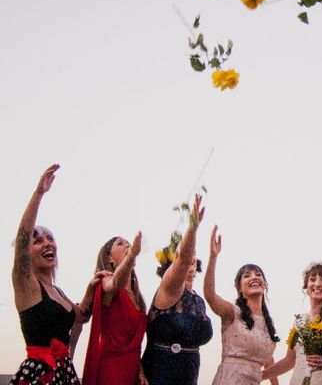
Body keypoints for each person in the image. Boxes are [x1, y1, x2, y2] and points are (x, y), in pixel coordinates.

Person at [10, 164, 103, 385]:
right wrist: (39, 193)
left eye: (50, 238)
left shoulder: (57, 291)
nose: (47, 243)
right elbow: (22, 241)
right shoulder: (27, 284)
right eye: (38, 240)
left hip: (65, 373)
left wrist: (91, 288)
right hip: (39, 375)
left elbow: (81, 316)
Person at [141, 194, 213, 385]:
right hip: (160, 374)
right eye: (186, 252)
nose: (191, 256)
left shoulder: (199, 301)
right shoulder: (169, 289)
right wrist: (193, 227)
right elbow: (182, 260)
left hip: (189, 376)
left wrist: (213, 256)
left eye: (194, 254)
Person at [205, 225, 280, 385]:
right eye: (247, 276)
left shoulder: (268, 322)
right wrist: (213, 257)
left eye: (258, 275)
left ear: (264, 285)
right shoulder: (233, 312)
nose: (254, 277)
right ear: (240, 289)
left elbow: (268, 359)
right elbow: (210, 296)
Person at [262, 261, 322, 384]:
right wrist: (259, 376)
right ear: (306, 287)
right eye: (313, 279)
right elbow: (290, 360)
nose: (318, 284)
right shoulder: (299, 321)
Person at [82, 233, 147, 385]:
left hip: (131, 369)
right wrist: (131, 256)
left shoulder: (138, 297)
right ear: (109, 259)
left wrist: (140, 370)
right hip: (111, 369)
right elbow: (115, 284)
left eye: (128, 243)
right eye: (120, 243)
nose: (127, 245)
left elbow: (134, 343)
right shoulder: (105, 281)